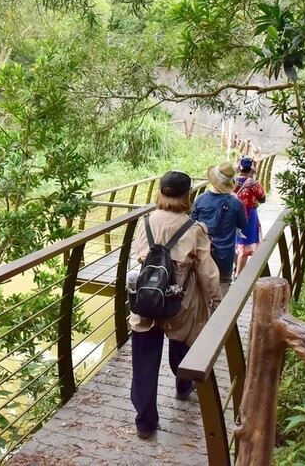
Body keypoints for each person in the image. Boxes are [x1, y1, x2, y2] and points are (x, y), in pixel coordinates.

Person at [130, 170, 221, 439]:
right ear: (188, 196)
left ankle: (145, 423)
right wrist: (217, 301)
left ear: (160, 192)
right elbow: (208, 273)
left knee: (144, 361)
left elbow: (140, 258)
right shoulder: (194, 229)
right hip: (180, 302)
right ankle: (183, 384)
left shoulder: (144, 223)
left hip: (147, 300)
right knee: (182, 346)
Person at [191, 161, 248, 296]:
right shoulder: (236, 203)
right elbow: (243, 224)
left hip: (202, 251)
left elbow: (191, 223)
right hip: (225, 254)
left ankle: (203, 314)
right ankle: (219, 313)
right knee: (223, 282)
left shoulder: (201, 199)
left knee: (200, 283)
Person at [234, 156, 266, 275]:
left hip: (233, 216)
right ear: (251, 168)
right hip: (248, 217)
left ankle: (235, 268)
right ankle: (239, 275)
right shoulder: (254, 184)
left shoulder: (232, 181)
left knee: (236, 242)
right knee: (245, 245)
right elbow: (262, 199)